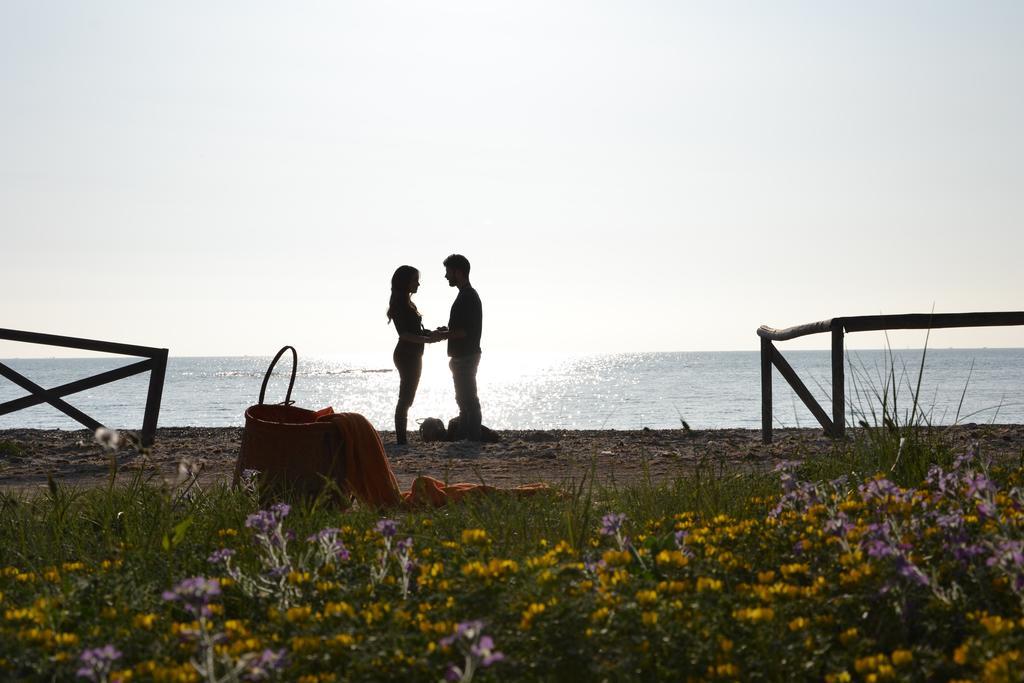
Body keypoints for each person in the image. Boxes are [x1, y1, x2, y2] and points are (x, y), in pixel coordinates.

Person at [387, 265, 438, 445]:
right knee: (405, 398)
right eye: (415, 280)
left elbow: (415, 332)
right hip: (407, 355)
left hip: (413, 354)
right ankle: (401, 440)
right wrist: (429, 340)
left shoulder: (408, 303)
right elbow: (405, 334)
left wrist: (431, 334)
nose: (418, 284)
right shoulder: (400, 304)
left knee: (407, 397)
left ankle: (402, 439)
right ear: (405, 282)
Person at [433, 254, 483, 441]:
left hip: (465, 356)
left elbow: (464, 332)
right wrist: (446, 331)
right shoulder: (465, 295)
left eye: (448, 272)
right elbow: (462, 328)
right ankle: (466, 436)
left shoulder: (468, 296)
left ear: (458, 272)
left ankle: (472, 437)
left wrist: (443, 335)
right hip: (463, 355)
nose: (446, 276)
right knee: (464, 400)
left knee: (468, 400)